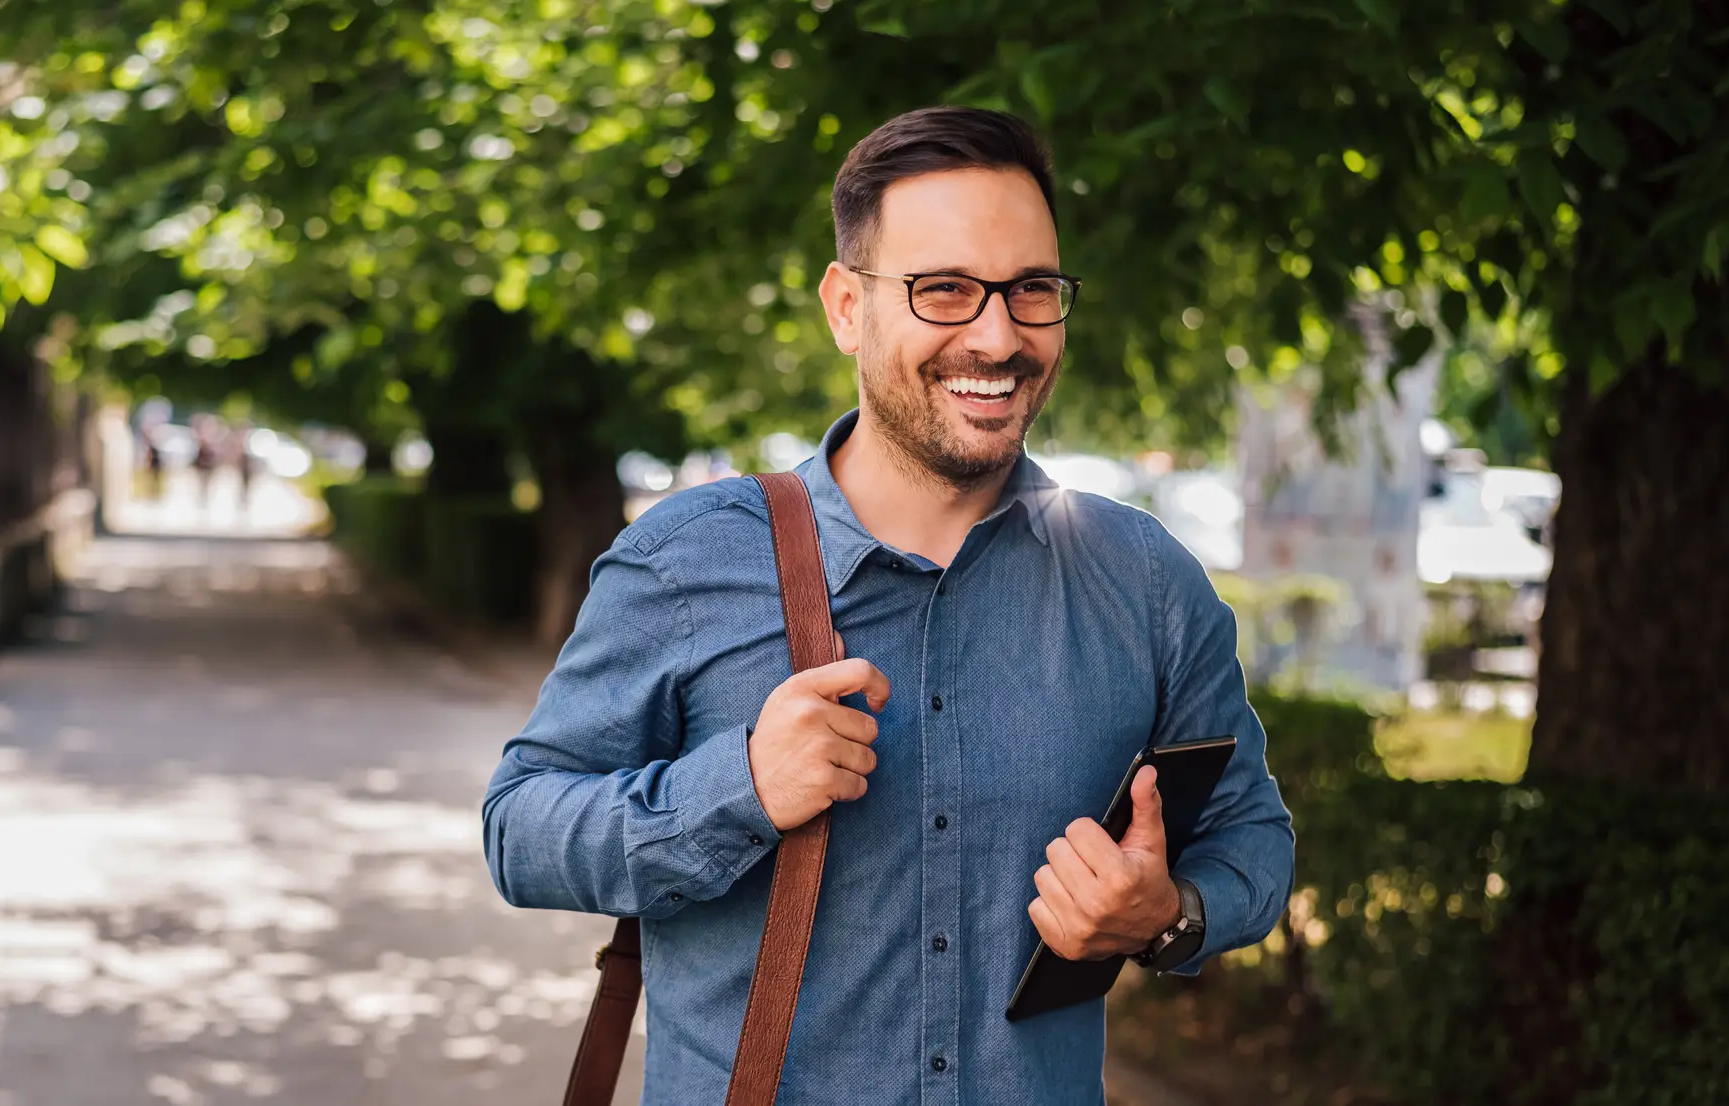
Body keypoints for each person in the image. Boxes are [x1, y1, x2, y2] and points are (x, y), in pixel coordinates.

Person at [482, 107, 1294, 1104]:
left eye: (1031, 290)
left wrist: (1165, 913)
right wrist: (737, 787)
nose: (997, 336)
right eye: (943, 289)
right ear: (845, 307)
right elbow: (519, 830)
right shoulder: (685, 559)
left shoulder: (1145, 581)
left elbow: (1251, 835)